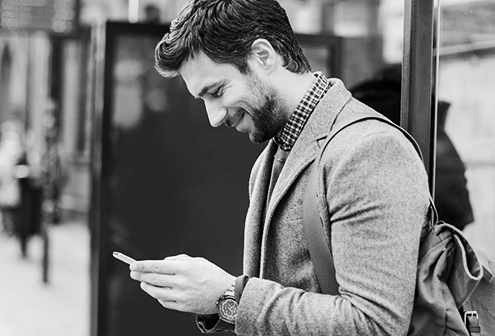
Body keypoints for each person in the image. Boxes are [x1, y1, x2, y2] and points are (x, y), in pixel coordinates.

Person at [128, 0, 430, 335]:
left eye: (217, 91)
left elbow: (376, 326)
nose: (213, 118)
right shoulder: (269, 160)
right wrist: (218, 302)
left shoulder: (369, 150)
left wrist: (227, 295)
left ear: (263, 56)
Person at [351, 64, 474, 230]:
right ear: (418, 83)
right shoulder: (419, 115)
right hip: (421, 221)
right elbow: (447, 177)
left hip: (364, 215)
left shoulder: (356, 109)